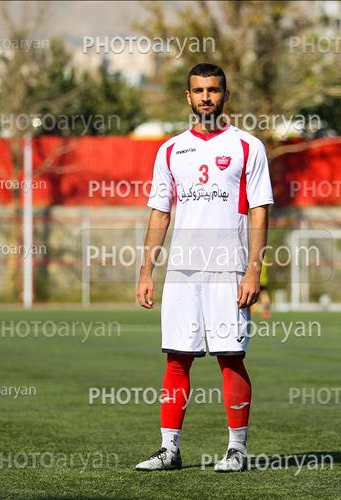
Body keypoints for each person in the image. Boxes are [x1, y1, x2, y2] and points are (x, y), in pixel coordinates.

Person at [136, 63, 274, 472]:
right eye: (199, 91)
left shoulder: (248, 146)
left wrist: (253, 270)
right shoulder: (170, 150)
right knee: (177, 358)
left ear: (225, 96)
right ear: (188, 97)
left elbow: (260, 210)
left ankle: (237, 450)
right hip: (182, 272)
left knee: (230, 357)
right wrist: (146, 271)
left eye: (213, 90)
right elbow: (160, 212)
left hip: (229, 270)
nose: (206, 97)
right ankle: (169, 450)